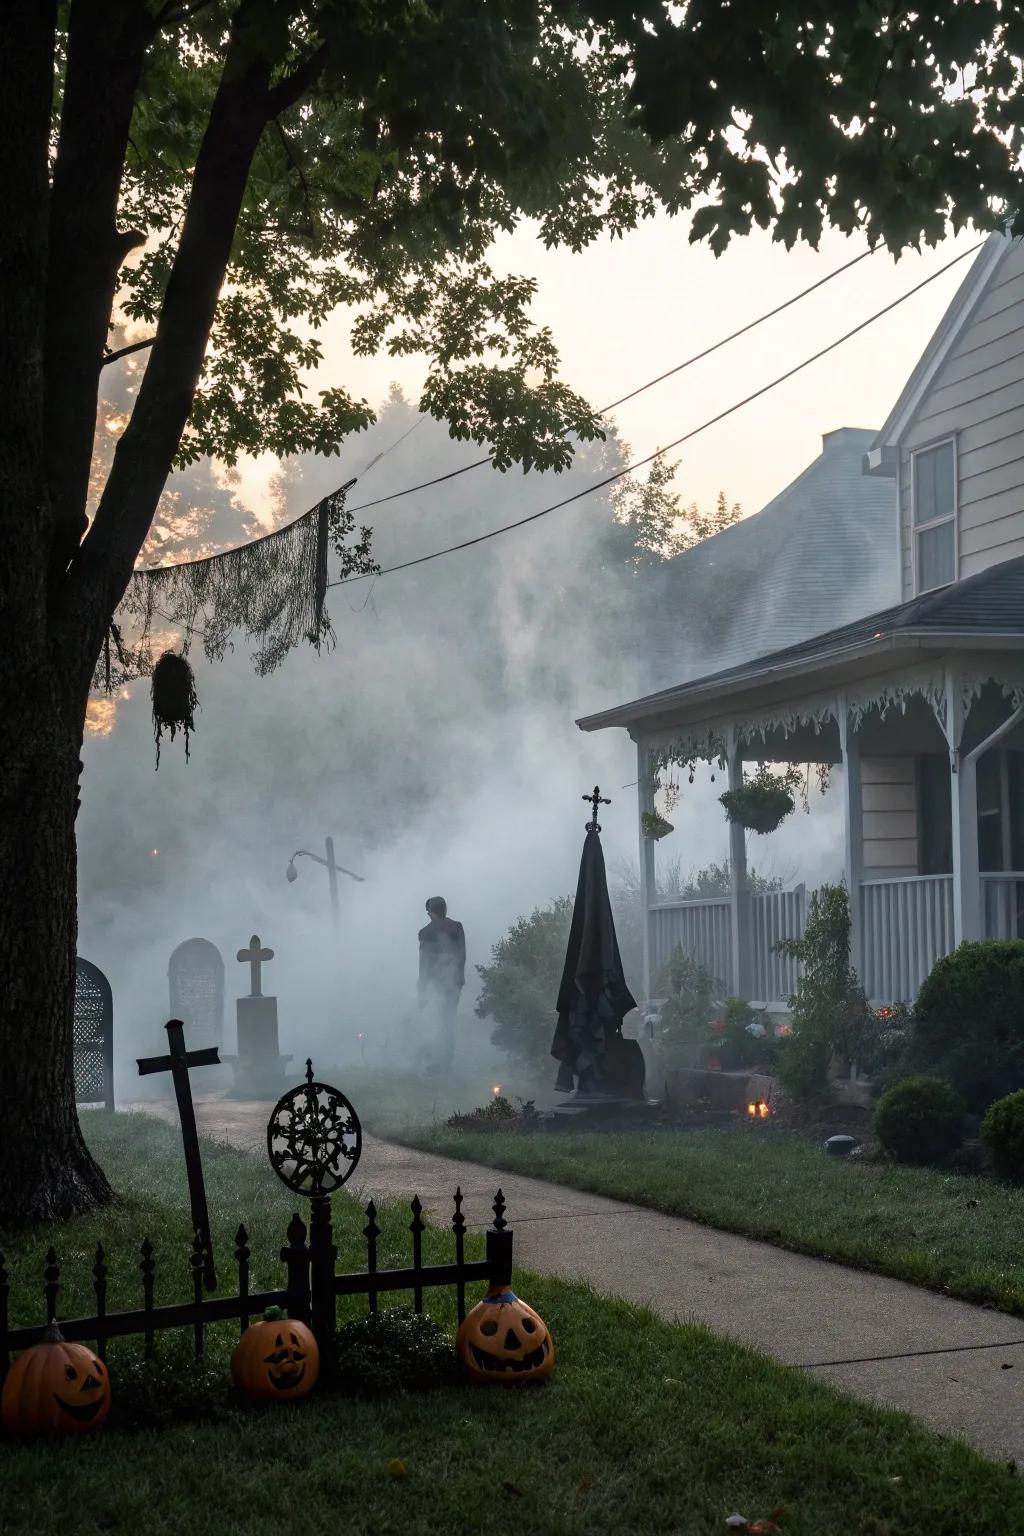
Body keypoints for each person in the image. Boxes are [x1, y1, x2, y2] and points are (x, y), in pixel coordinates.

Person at [417, 896, 466, 1074]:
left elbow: (424, 963)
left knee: (436, 1021)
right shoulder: (457, 927)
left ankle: (437, 1063)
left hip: (435, 985)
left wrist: (421, 987)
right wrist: (458, 980)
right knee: (448, 1021)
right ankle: (446, 1062)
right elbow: (462, 956)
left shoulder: (425, 932)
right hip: (453, 983)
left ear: (431, 913)